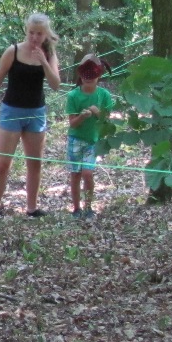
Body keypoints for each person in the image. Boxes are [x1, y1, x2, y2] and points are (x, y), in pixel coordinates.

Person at [0, 12, 62, 225]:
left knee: (35, 163)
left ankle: (32, 208)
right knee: (3, 164)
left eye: (39, 34)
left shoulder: (49, 54)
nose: (34, 37)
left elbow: (56, 84)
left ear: (45, 34)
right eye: (31, 32)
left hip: (36, 113)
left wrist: (44, 62)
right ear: (26, 30)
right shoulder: (12, 51)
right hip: (11, 112)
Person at [65, 53, 116, 220]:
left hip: (93, 141)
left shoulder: (104, 95)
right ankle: (76, 208)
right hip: (75, 140)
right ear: (80, 75)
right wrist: (81, 117)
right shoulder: (73, 95)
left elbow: (107, 121)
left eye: (92, 75)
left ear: (98, 76)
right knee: (75, 174)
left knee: (87, 173)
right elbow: (72, 123)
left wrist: (97, 112)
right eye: (85, 75)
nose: (88, 79)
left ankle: (88, 208)